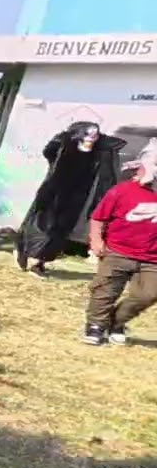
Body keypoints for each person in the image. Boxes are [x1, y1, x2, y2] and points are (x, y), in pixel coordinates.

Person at [15, 121, 124, 278]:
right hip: (54, 193)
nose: (92, 138)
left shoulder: (99, 151)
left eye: (96, 134)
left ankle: (39, 262)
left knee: (61, 230)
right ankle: (27, 252)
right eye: (88, 134)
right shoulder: (65, 146)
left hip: (77, 197)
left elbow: (109, 163)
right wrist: (65, 139)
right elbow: (49, 152)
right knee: (43, 226)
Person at [82, 140, 157, 345]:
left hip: (152, 258)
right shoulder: (122, 191)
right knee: (106, 290)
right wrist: (96, 241)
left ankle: (116, 322)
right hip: (118, 251)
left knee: (149, 294)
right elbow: (99, 217)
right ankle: (95, 325)